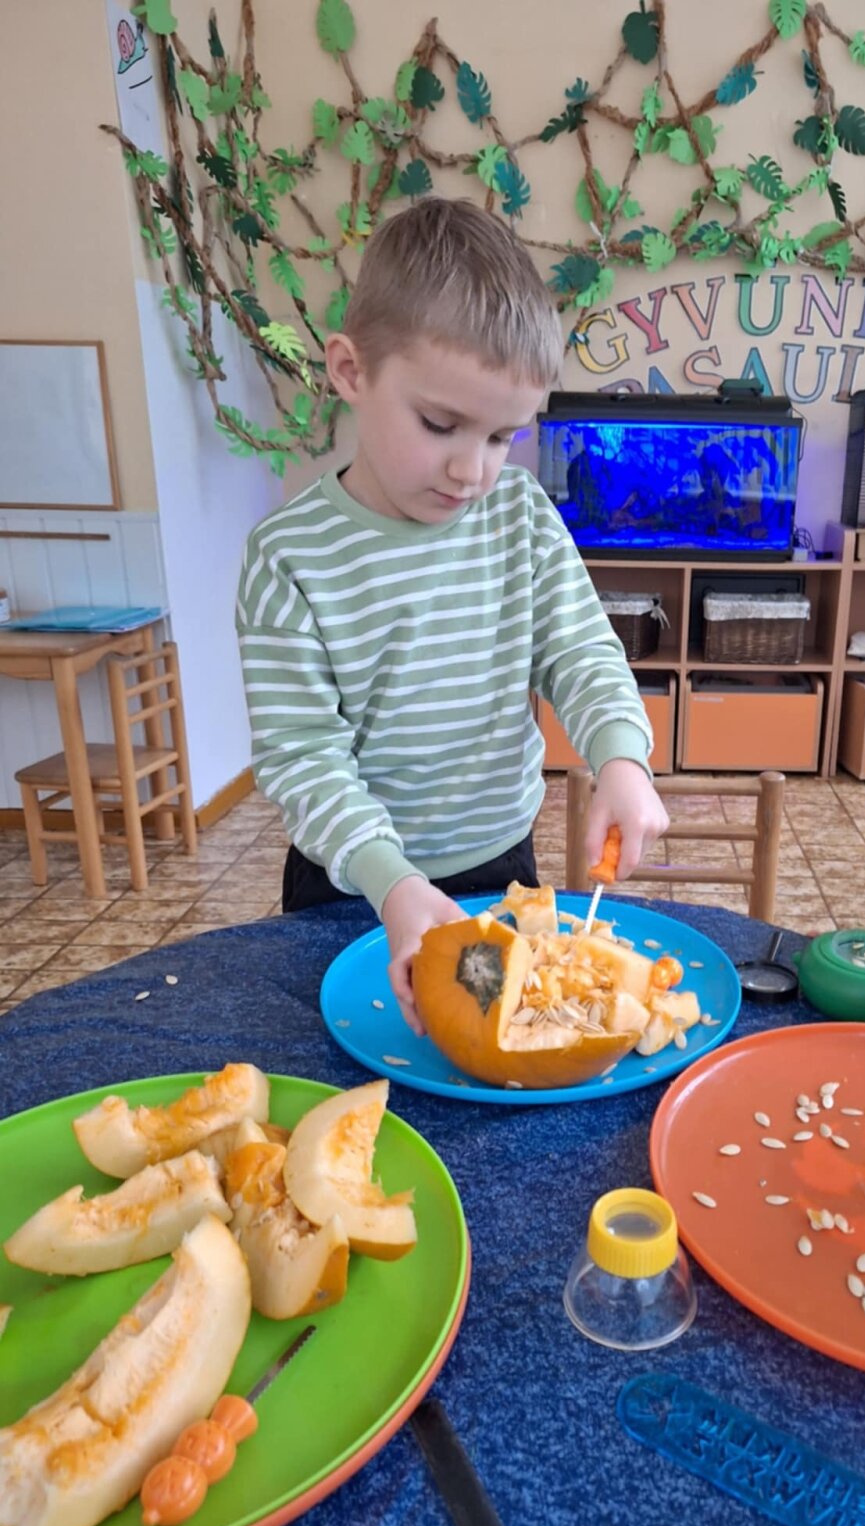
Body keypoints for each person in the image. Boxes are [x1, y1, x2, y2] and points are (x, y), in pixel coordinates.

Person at [236, 199, 668, 1031]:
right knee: (353, 1053)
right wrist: (392, 882)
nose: (473, 470)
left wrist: (621, 757)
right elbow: (304, 757)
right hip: (353, 884)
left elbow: (580, 653)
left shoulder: (521, 516)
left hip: (497, 866)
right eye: (441, 424)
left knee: (495, 1047)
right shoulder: (289, 556)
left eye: (504, 437)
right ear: (351, 371)